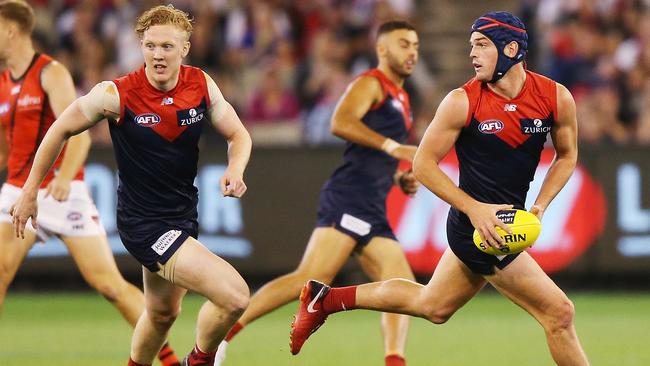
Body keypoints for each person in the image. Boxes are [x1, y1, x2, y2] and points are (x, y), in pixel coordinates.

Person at [290, 11, 591, 366]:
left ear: (511, 49)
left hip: (503, 220)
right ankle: (324, 301)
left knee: (433, 306)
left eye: (481, 45)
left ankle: (325, 300)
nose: (472, 54)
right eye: (471, 46)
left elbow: (567, 155)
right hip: (476, 228)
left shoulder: (555, 97)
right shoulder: (462, 101)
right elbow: (423, 165)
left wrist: (539, 206)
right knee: (560, 313)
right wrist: (475, 209)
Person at [10, 5, 252, 366]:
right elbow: (59, 129)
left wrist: (236, 167)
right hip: (144, 226)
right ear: (140, 45)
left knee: (160, 314)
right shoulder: (116, 93)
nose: (157, 54)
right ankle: (199, 360)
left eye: (167, 47)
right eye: (150, 45)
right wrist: (30, 190)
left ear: (185, 48)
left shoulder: (201, 84)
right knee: (235, 295)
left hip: (183, 217)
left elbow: (237, 133)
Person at [216, 20, 419, 366]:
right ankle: (222, 335)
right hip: (351, 197)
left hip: (372, 202)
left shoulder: (402, 96)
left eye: (415, 45)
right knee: (308, 279)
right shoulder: (372, 83)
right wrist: (395, 148)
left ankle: (394, 360)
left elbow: (376, 155)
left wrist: (399, 177)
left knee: (403, 286)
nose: (412, 51)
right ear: (382, 49)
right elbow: (339, 122)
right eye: (403, 44)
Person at [0, 1, 182, 365]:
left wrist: (65, 178)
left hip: (63, 192)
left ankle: (170, 359)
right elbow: (9, 147)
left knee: (109, 286)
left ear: (10, 30)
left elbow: (78, 134)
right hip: (20, 189)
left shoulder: (49, 73)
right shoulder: (3, 83)